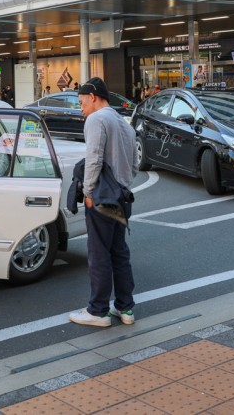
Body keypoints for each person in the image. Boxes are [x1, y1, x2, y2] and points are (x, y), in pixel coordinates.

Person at [68, 77, 140, 328]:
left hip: (102, 197)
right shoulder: (123, 122)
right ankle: (125, 308)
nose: (81, 108)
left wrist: (88, 192)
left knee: (98, 254)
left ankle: (98, 311)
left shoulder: (96, 120)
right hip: (122, 196)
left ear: (94, 97)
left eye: (81, 102)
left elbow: (94, 158)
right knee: (119, 253)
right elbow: (135, 163)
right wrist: (124, 185)